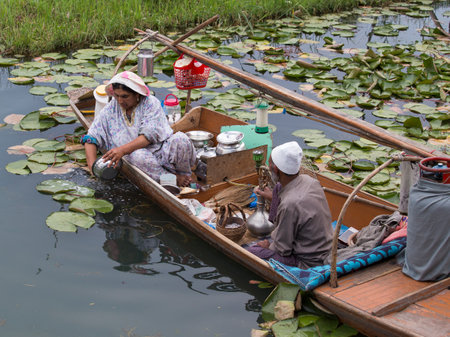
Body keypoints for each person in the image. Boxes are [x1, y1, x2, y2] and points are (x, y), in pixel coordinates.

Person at [81, 71, 196, 186]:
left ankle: (184, 175)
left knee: (180, 139)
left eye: (125, 96)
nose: (120, 101)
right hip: (138, 158)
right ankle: (173, 179)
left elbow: (148, 136)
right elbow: (92, 136)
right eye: (117, 95)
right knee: (137, 156)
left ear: (137, 94)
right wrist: (93, 168)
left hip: (161, 151)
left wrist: (121, 150)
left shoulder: (151, 103)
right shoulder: (112, 107)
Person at [247, 141, 333, 269]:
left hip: (309, 261)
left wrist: (267, 247)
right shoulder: (310, 181)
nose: (268, 167)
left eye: (269, 164)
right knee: (278, 188)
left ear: (275, 169)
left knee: (252, 251)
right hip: (325, 246)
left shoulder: (290, 205)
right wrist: (271, 197)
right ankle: (276, 226)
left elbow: (283, 249)